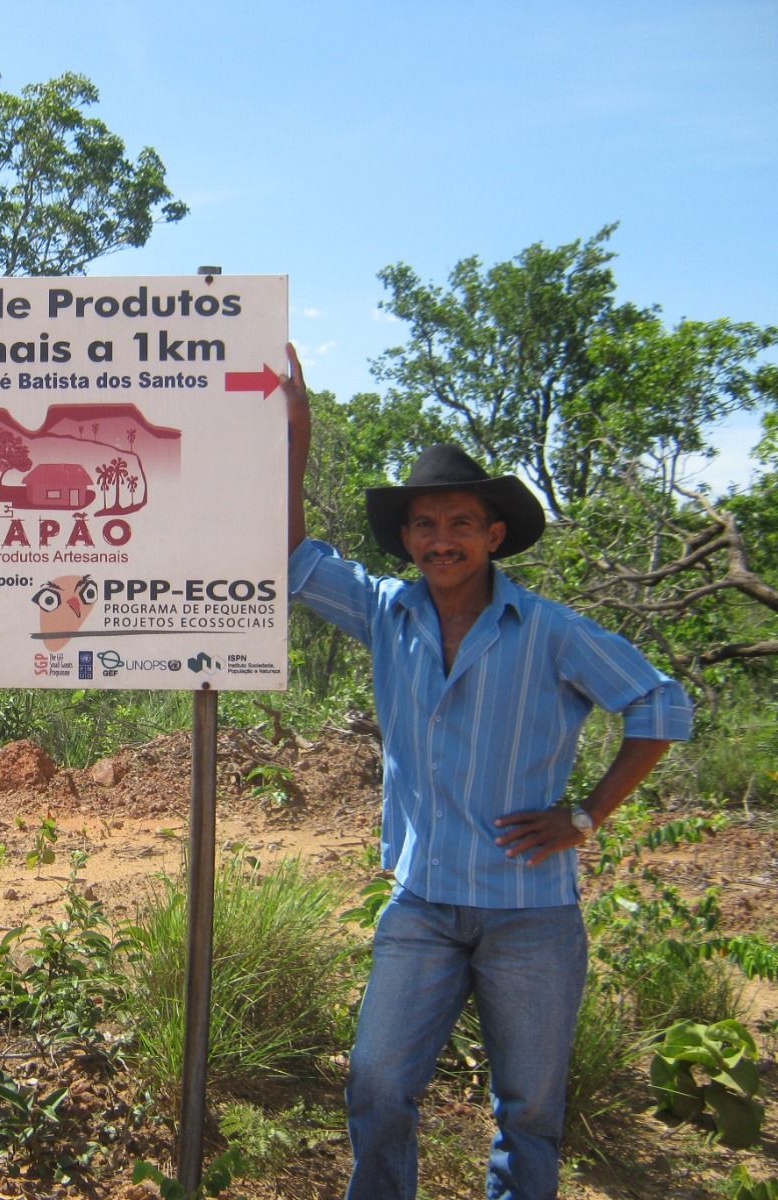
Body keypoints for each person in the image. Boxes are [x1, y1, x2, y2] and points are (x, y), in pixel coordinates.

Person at [282, 343, 693, 1199]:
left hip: (531, 913)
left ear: (493, 534)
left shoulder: (549, 629)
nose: (442, 541)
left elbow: (659, 705)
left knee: (530, 1110)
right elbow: (297, 558)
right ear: (407, 538)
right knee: (377, 1085)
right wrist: (299, 430)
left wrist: (584, 817)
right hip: (423, 901)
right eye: (426, 526)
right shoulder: (388, 614)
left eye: (460, 524)